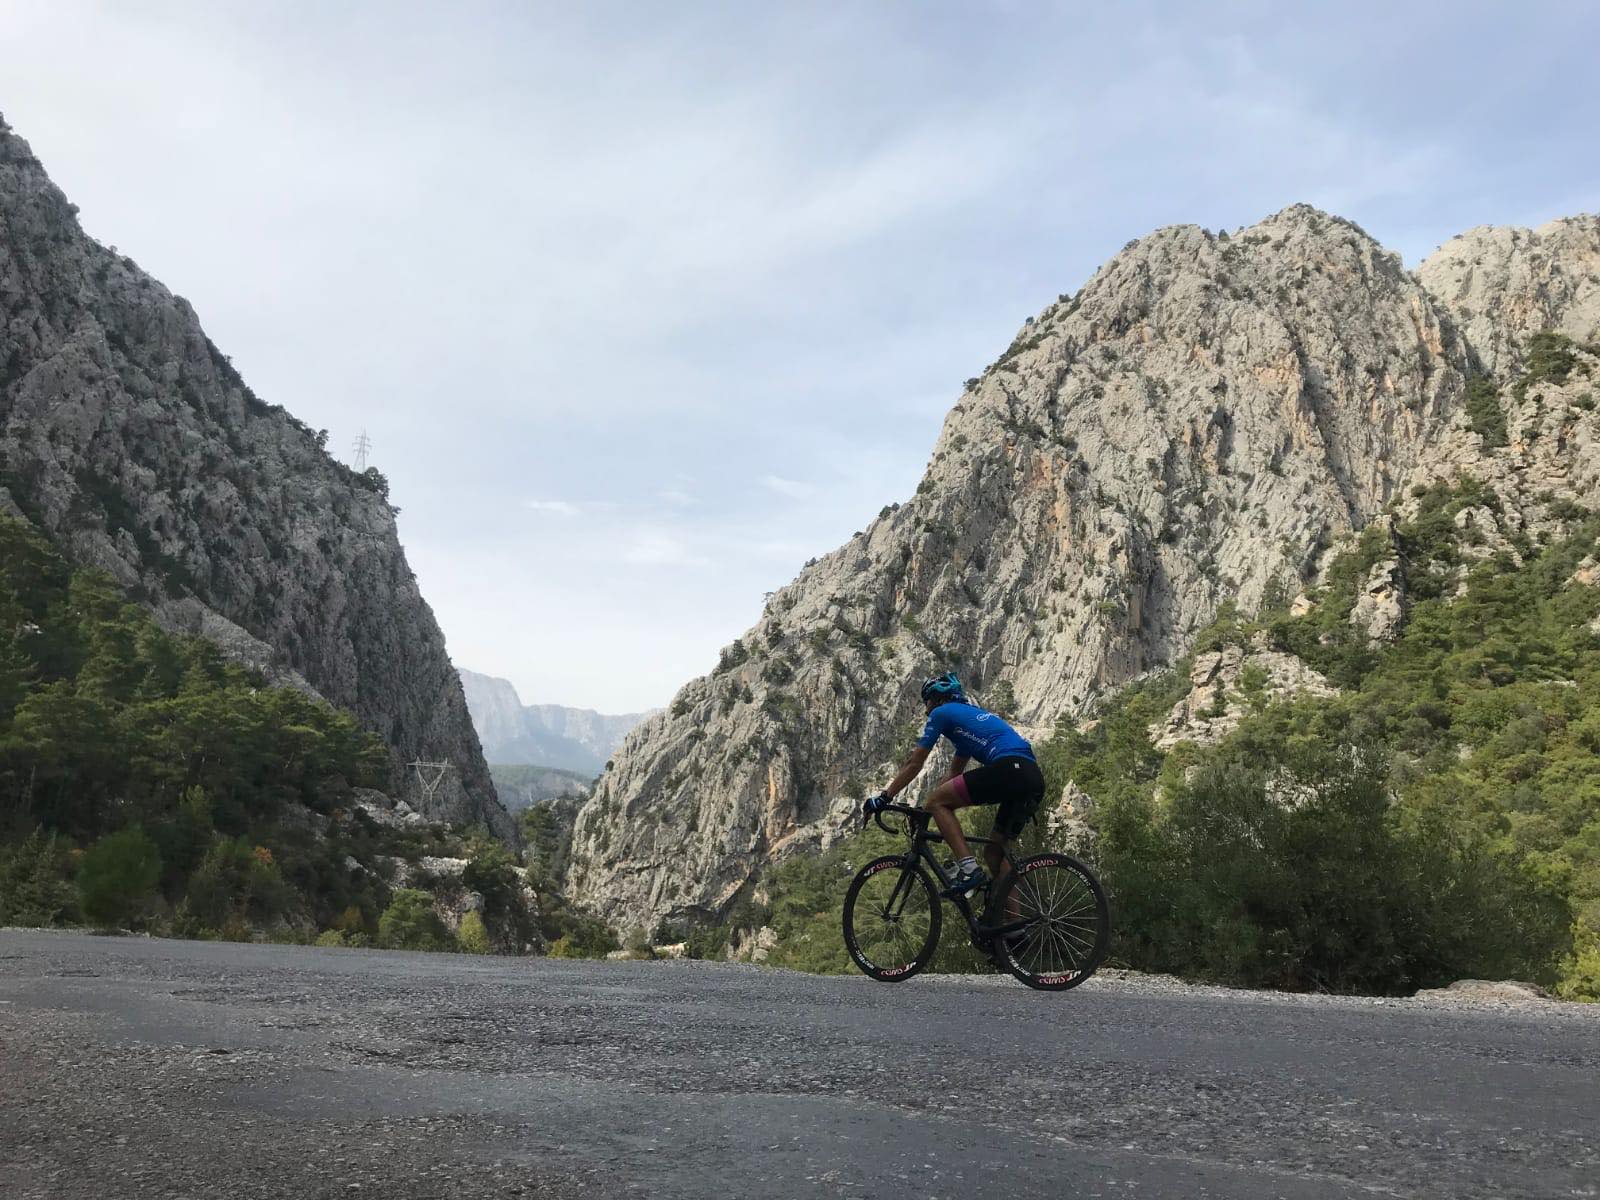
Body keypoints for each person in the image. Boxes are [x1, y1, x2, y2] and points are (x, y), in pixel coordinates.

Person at [863, 672, 1044, 897]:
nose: (925, 710)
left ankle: (969, 869)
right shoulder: (967, 725)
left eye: (926, 702)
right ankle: (1013, 930)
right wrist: (924, 811)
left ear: (937, 698)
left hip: (1009, 768)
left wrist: (885, 797)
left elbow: (914, 763)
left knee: (937, 802)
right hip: (1032, 777)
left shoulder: (942, 712)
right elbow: (953, 775)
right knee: (995, 854)